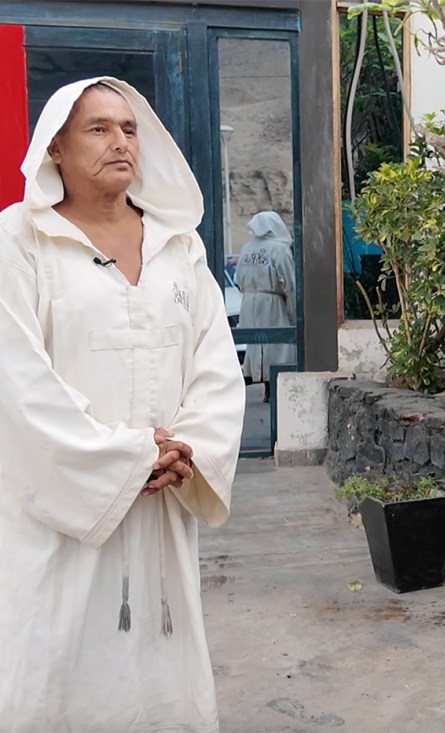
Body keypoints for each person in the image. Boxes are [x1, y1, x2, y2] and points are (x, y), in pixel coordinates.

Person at [0, 78, 245, 729]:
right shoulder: (20, 240)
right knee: (59, 672)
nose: (120, 142)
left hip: (164, 502)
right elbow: (18, 381)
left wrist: (185, 448)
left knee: (161, 683)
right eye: (99, 128)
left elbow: (215, 365)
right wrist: (124, 458)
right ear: (55, 146)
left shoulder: (178, 246)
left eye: (129, 129)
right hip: (61, 511)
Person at [234, 210, 296, 401]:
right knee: (277, 347)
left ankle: (262, 383)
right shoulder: (280, 249)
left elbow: (238, 280)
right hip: (272, 302)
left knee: (257, 345)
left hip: (249, 301)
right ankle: (274, 387)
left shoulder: (247, 248)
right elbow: (290, 282)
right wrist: (293, 310)